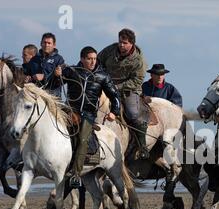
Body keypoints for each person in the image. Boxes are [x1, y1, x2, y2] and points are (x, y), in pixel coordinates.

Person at [55, 46, 121, 188]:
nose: (93, 62)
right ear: (82, 59)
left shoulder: (103, 76)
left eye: (95, 59)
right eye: (89, 59)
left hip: (88, 114)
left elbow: (115, 96)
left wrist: (114, 112)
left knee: (83, 139)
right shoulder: (71, 71)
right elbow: (54, 84)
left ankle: (76, 175)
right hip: (70, 111)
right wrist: (56, 75)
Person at [98, 28, 149, 159]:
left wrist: (117, 87)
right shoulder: (110, 50)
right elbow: (98, 61)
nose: (121, 45)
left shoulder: (139, 60)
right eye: (120, 42)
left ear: (132, 43)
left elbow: (137, 80)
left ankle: (142, 146)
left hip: (129, 90)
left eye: (125, 43)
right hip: (106, 85)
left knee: (133, 113)